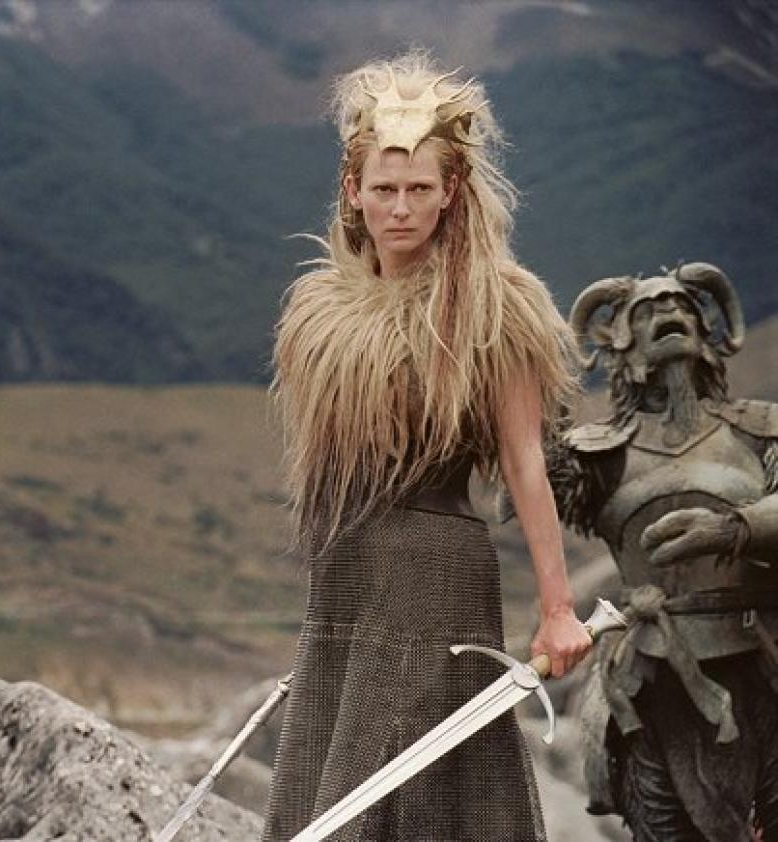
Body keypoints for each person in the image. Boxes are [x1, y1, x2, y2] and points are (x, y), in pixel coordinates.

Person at [263, 52, 592, 841]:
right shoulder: (320, 313)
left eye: (419, 189)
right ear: (353, 191)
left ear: (451, 191)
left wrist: (558, 611)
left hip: (435, 571)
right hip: (344, 570)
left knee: (411, 797)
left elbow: (524, 463)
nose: (401, 208)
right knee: (332, 785)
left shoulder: (495, 308)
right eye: (385, 189)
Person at [556, 263, 778, 841]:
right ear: (621, 347)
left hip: (762, 655)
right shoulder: (597, 456)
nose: (670, 314)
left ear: (706, 334)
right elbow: (521, 491)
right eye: (648, 312)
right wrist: (548, 399)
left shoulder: (760, 429)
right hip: (652, 673)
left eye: (682, 306)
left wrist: (733, 528)